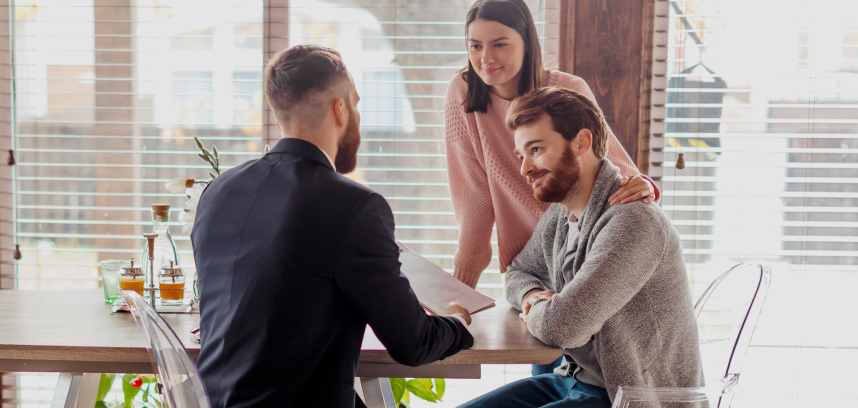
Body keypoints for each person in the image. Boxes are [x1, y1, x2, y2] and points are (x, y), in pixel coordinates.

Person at [190, 45, 475, 408]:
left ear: (280, 120)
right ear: (340, 109)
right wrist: (457, 321)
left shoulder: (217, 192)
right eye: (355, 104)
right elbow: (413, 342)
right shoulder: (353, 207)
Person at [445, 0, 659, 375]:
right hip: (533, 272)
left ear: (528, 43)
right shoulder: (464, 93)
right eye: (474, 45)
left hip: (586, 258)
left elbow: (613, 167)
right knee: (553, 376)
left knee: (590, 373)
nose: (485, 58)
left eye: (500, 44)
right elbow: (474, 202)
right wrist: (456, 298)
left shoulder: (565, 90)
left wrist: (644, 188)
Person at [458, 87, 702, 408]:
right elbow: (519, 272)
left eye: (536, 149)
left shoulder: (634, 222)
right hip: (569, 380)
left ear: (582, 142)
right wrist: (533, 295)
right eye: (522, 155)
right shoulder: (562, 215)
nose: (525, 168)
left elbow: (564, 327)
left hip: (627, 396)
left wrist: (535, 311)